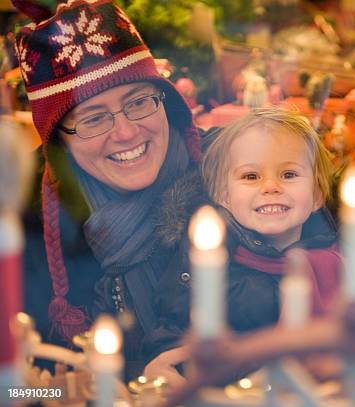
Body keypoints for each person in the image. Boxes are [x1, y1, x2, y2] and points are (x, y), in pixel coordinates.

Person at [13, 0, 217, 379]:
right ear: (59, 143)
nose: (125, 133)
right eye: (93, 119)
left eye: (138, 102)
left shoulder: (228, 164)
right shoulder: (25, 225)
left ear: (165, 101)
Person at [144, 108, 343, 383]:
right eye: (251, 176)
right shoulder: (205, 255)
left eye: (288, 174)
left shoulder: (341, 256)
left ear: (318, 194)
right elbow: (173, 322)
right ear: (224, 195)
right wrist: (170, 365)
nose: (271, 186)